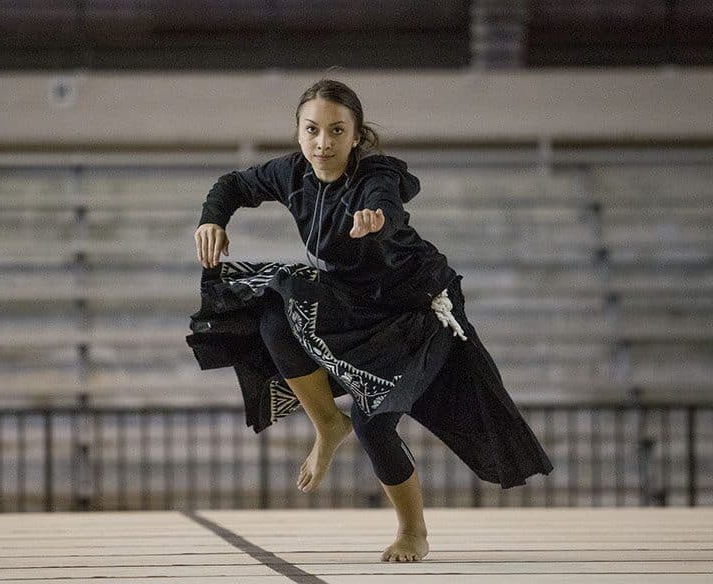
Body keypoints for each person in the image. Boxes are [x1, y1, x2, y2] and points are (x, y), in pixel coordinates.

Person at [188, 78, 553, 562]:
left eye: (337, 131)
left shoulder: (374, 176)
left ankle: (413, 532)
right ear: (298, 131)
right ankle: (326, 425)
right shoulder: (290, 173)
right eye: (312, 130)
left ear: (356, 136)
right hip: (353, 299)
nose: (323, 143)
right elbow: (232, 184)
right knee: (272, 307)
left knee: (372, 418)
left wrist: (376, 216)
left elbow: (386, 196)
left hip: (416, 309)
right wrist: (212, 218)